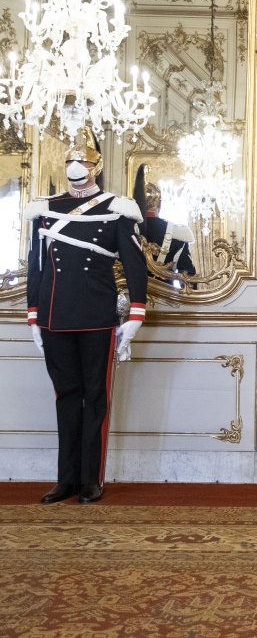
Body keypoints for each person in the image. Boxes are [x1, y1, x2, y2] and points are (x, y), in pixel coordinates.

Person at [25, 132, 148, 504]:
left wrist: (137, 313)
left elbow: (134, 263)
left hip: (97, 313)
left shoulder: (118, 208)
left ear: (96, 167)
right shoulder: (45, 208)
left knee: (95, 396)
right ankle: (66, 480)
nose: (75, 169)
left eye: (83, 163)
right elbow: (36, 264)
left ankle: (91, 479)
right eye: (69, 163)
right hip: (54, 313)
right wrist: (33, 315)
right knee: (66, 396)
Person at [140, 180, 197, 280]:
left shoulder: (127, 229)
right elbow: (188, 277)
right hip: (165, 294)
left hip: (130, 294)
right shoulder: (176, 232)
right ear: (159, 204)